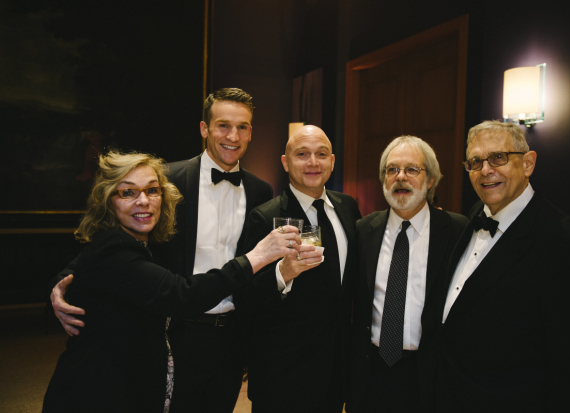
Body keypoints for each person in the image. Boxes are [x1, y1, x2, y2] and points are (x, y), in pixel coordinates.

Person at [49, 88, 275, 413]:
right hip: (175, 329)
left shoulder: (259, 189)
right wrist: (61, 284)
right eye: (223, 125)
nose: (233, 135)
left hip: (231, 334)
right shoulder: (163, 180)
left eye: (242, 127)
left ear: (251, 132)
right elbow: (106, 249)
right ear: (204, 129)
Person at [42, 150, 313, 413]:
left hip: (147, 372)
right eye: (128, 192)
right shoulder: (115, 247)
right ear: (107, 200)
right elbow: (181, 295)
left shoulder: (144, 240)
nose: (143, 201)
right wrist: (257, 256)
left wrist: (62, 284)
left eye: (151, 190)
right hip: (96, 391)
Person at [419, 121, 570, 413]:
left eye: (498, 158)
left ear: (528, 164)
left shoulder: (565, 241)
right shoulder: (473, 217)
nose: (485, 170)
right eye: (475, 162)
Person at [237, 125, 362, 413]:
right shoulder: (265, 217)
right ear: (285, 162)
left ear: (332, 161)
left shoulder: (348, 208)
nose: (313, 162)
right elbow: (246, 297)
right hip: (283, 374)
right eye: (302, 154)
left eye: (321, 154)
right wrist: (284, 274)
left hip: (336, 371)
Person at [347, 136, 467, 413]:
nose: (400, 177)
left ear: (431, 179)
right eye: (392, 170)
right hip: (370, 373)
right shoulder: (363, 230)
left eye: (412, 169)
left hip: (428, 375)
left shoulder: (457, 231)